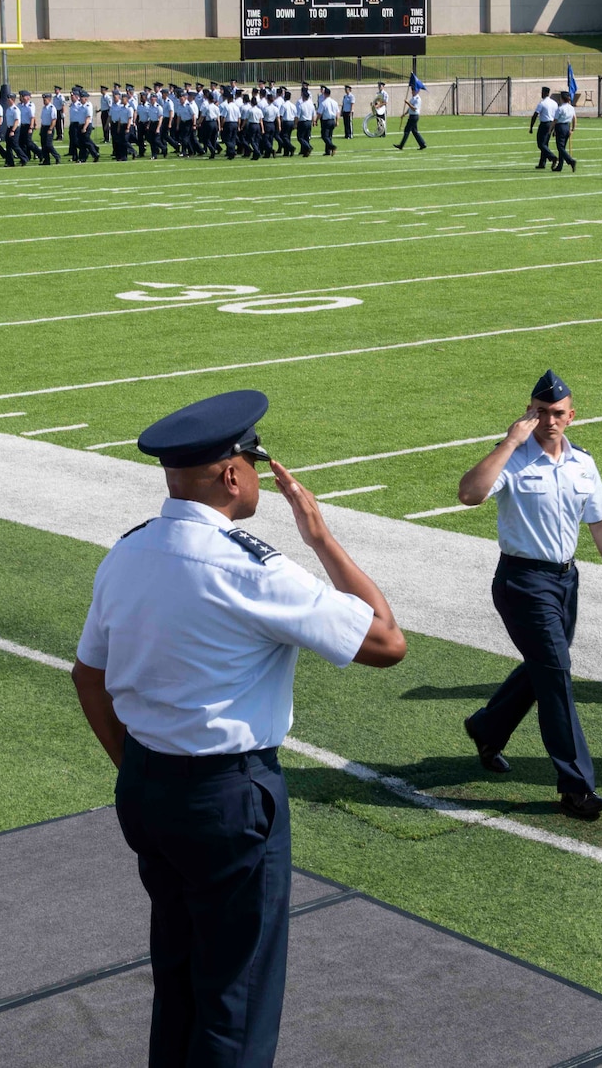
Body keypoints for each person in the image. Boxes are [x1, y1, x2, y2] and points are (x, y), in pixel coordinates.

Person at [72, 390, 405, 1068]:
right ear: (231, 474)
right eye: (254, 461)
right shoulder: (250, 566)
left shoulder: (128, 551)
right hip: (228, 798)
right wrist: (320, 536)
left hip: (147, 785)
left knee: (182, 980)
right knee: (237, 1002)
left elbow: (87, 676)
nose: (258, 473)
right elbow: (386, 640)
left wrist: (139, 764)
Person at [455, 371, 602, 820]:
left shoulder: (583, 464)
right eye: (540, 412)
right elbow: (469, 493)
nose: (548, 420)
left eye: (557, 413)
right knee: (556, 676)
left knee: (545, 667)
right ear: (528, 412)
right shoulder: (513, 461)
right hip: (522, 581)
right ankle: (576, 787)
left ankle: (487, 726)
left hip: (565, 581)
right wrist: (507, 443)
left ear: (571, 417)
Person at [528, 87, 553, 168]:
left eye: (542, 92)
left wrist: (531, 126)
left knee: (541, 144)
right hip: (552, 124)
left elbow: (535, 115)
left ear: (545, 93)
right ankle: (542, 163)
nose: (541, 94)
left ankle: (552, 157)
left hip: (544, 124)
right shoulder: (554, 103)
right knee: (545, 144)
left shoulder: (542, 103)